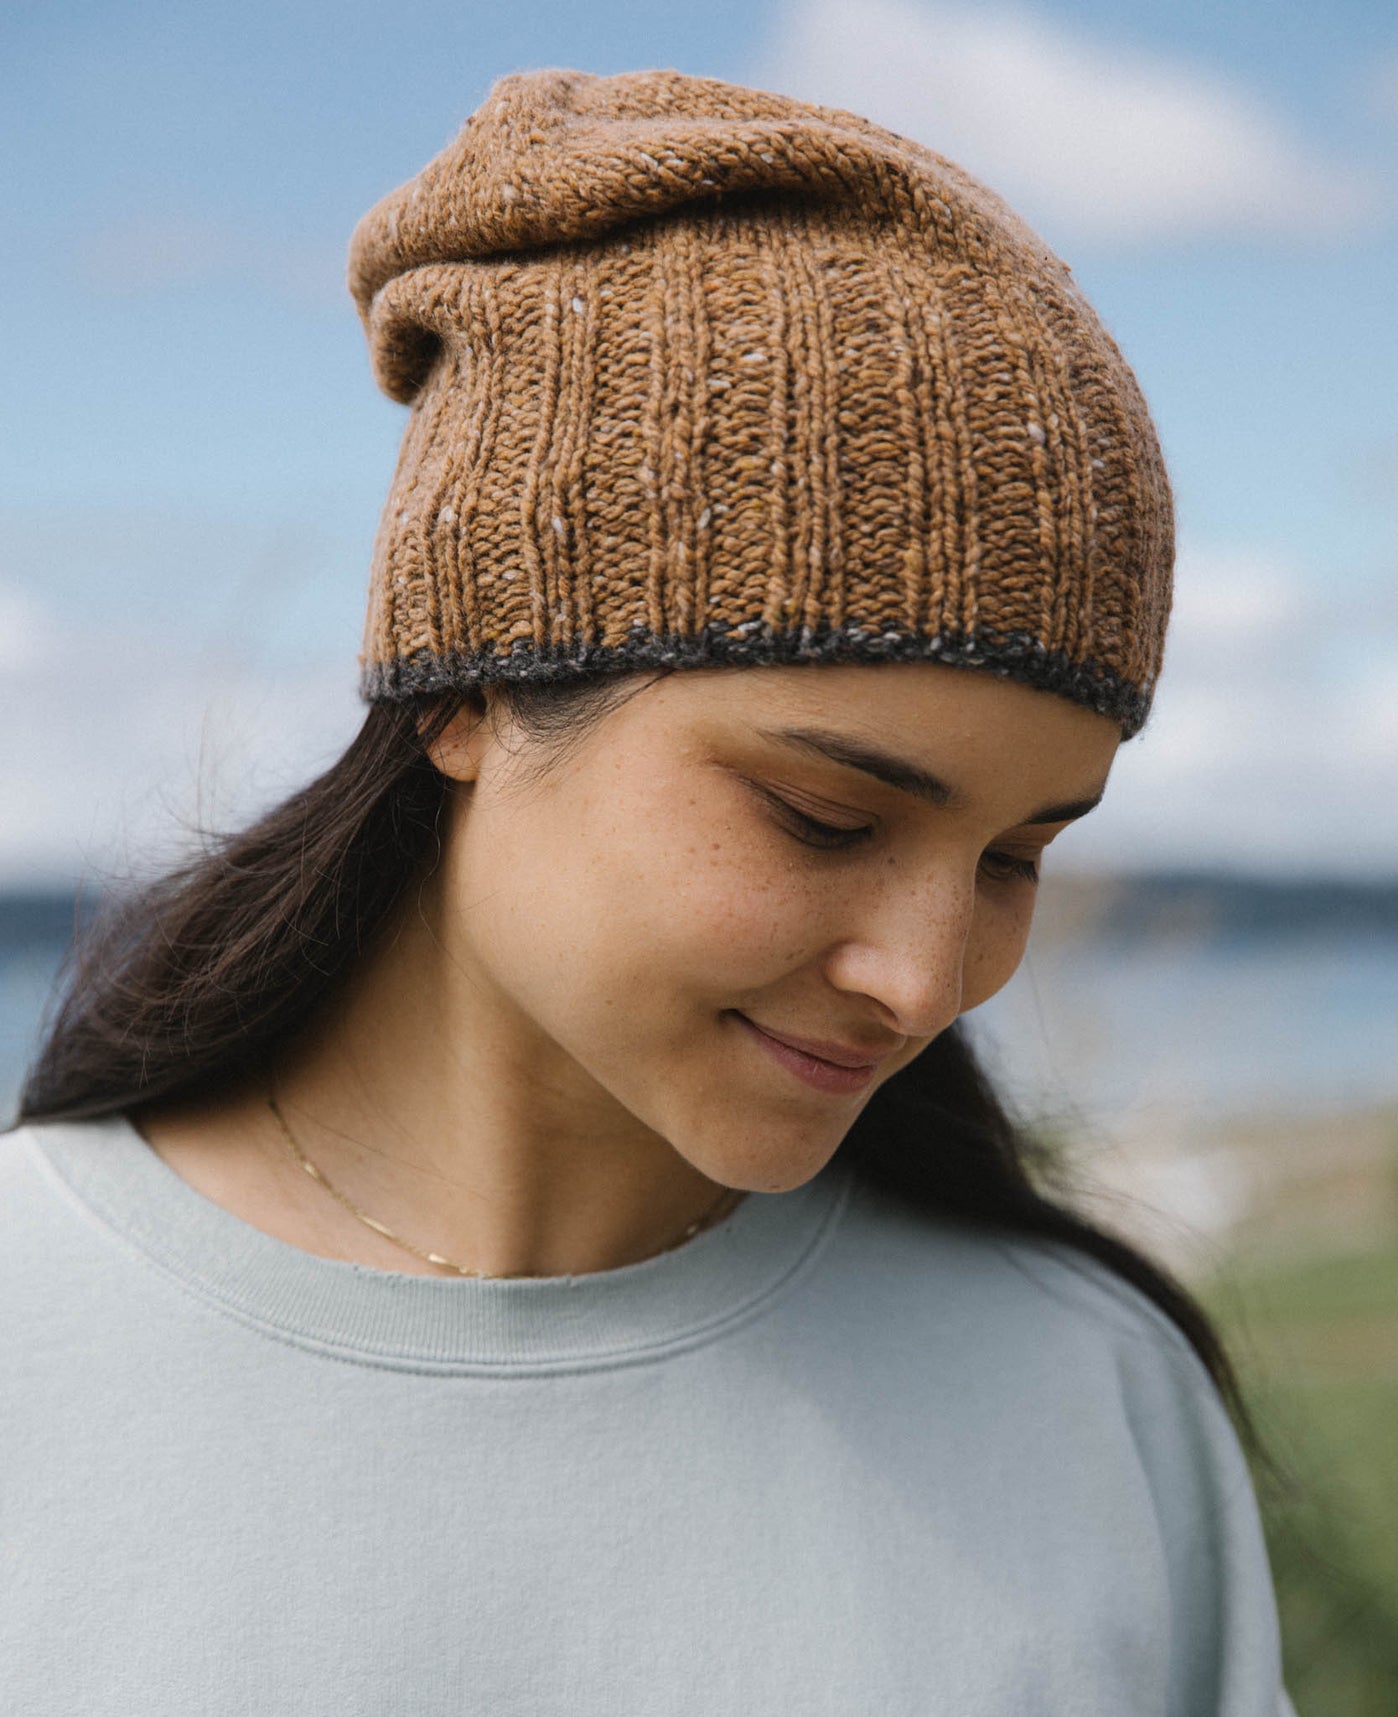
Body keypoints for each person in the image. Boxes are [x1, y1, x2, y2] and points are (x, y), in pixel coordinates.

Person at [1, 66, 1296, 1716]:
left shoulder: (1087, 1395)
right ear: (465, 692)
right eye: (822, 816)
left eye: (1013, 856)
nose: (921, 975)